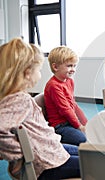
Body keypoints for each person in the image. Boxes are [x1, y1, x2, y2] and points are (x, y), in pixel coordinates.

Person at [0, 37, 80, 179]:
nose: (40, 74)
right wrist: (20, 153)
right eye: (39, 69)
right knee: (97, 161)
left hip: (49, 151)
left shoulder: (16, 97)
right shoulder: (18, 100)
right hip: (46, 163)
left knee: (88, 152)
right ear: (27, 73)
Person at [44, 46, 88, 146]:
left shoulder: (69, 81)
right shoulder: (53, 86)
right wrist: (79, 127)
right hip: (60, 126)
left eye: (74, 66)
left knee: (93, 132)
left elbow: (73, 105)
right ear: (55, 67)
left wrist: (85, 123)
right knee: (83, 139)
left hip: (69, 122)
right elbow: (66, 110)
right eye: (69, 66)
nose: (73, 69)